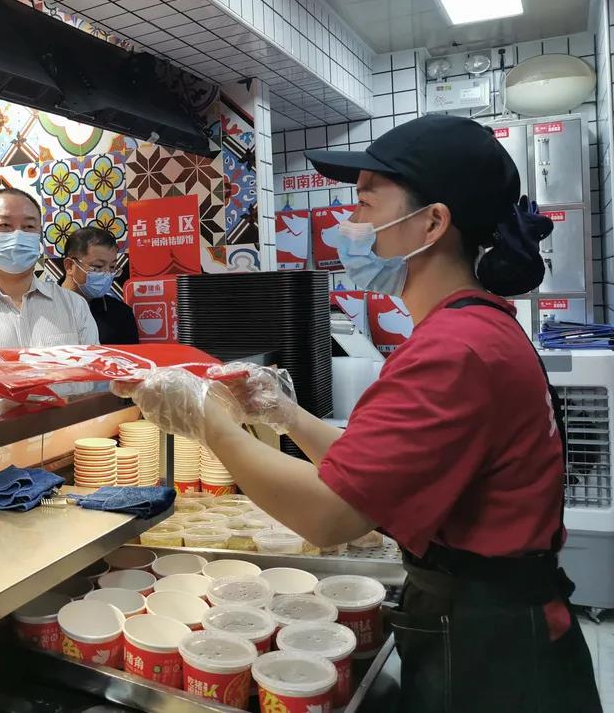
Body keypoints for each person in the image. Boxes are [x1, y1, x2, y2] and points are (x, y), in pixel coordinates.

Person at [116, 115, 601, 712]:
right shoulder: (475, 326)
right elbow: (369, 474)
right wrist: (286, 414)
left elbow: (331, 515)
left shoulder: (453, 349)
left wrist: (206, 418)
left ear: (432, 223)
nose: (350, 224)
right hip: (502, 615)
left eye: (367, 204)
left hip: (493, 646)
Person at [0, 188, 98, 350]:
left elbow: (94, 365)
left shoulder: (74, 306)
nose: (18, 235)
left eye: (29, 226)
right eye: (4, 225)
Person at [60, 226, 139, 345]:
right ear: (70, 265)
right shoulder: (43, 307)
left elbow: (130, 355)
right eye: (97, 267)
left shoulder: (121, 314)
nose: (107, 274)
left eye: (112, 267)